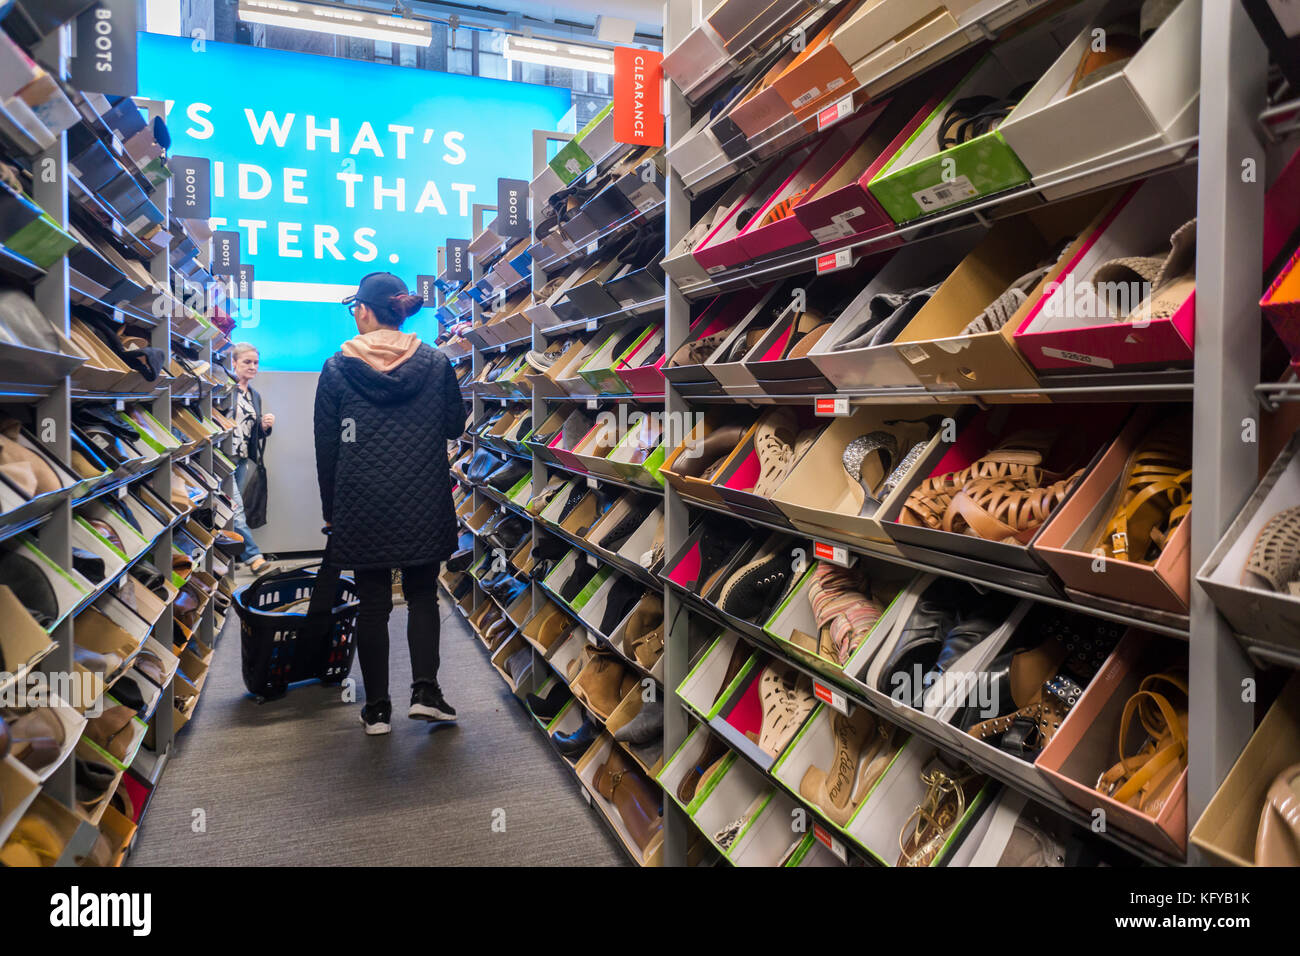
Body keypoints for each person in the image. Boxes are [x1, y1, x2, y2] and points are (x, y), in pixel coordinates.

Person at [313, 272, 465, 735]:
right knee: (422, 596)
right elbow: (456, 426)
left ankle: (377, 708)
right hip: (423, 494)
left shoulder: (337, 368)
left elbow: (327, 445)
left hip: (362, 500)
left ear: (364, 309)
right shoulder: (436, 363)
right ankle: (426, 692)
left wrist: (332, 507)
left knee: (372, 604)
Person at [231, 342, 274, 573]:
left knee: (231, 509)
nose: (253, 366)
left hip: (241, 459)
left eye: (256, 363)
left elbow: (252, 433)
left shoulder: (254, 395)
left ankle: (227, 557)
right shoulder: (226, 390)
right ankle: (254, 557)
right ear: (234, 363)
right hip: (222, 458)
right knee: (235, 509)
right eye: (247, 362)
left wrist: (264, 427)